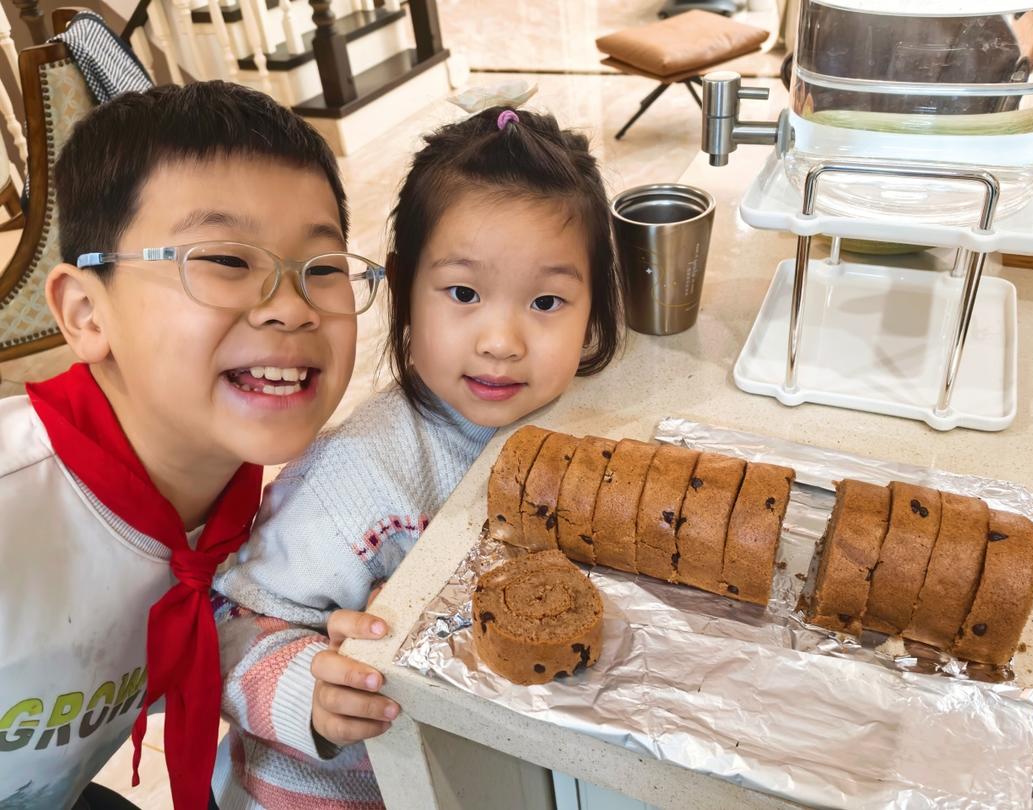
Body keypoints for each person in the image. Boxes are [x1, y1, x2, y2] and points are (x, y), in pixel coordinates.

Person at [211, 106, 624, 808]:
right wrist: (312, 693)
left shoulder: (565, 424)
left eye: (547, 301)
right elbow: (231, 626)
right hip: (320, 791)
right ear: (403, 289)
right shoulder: (354, 478)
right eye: (463, 293)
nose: (502, 340)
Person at [0, 81, 376, 810]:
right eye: (227, 261)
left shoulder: (253, 521)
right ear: (85, 312)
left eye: (323, 268)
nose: (294, 307)